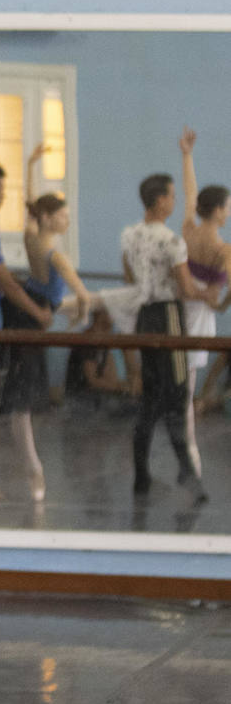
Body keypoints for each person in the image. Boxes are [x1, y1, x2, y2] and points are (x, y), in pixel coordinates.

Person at [0, 147, 92, 501]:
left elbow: (30, 202)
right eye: (63, 215)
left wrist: (32, 163)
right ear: (49, 218)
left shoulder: (31, 238)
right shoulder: (56, 256)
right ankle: (33, 468)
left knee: (21, 397)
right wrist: (79, 318)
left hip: (29, 304)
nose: (67, 220)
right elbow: (83, 296)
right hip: (32, 315)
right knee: (21, 399)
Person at [122, 169, 218, 501]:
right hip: (168, 319)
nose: (176, 202)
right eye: (173, 196)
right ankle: (186, 473)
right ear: (161, 200)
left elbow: (128, 273)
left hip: (144, 315)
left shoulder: (130, 234)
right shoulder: (172, 241)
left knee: (151, 397)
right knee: (177, 396)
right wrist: (211, 293)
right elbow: (187, 288)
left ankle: (141, 474)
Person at [177, 127, 231, 473]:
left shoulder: (189, 229)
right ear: (220, 211)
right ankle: (190, 449)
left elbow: (189, 192)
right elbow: (219, 297)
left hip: (178, 309)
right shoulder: (223, 249)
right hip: (200, 316)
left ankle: (186, 444)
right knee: (189, 387)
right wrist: (220, 306)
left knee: (179, 383)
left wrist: (187, 155)